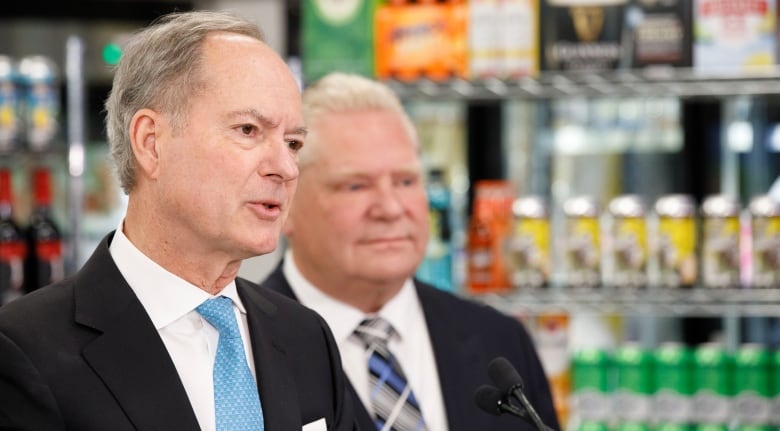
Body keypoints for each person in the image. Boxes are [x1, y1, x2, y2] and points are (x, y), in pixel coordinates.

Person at [0, 11, 356, 431]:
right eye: (247, 130)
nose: (285, 167)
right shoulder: (23, 350)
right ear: (151, 143)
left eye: (293, 142)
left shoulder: (306, 338)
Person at [259, 72, 560, 431]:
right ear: (286, 201)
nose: (390, 208)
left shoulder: (500, 340)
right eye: (355, 186)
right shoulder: (244, 350)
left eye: (406, 181)